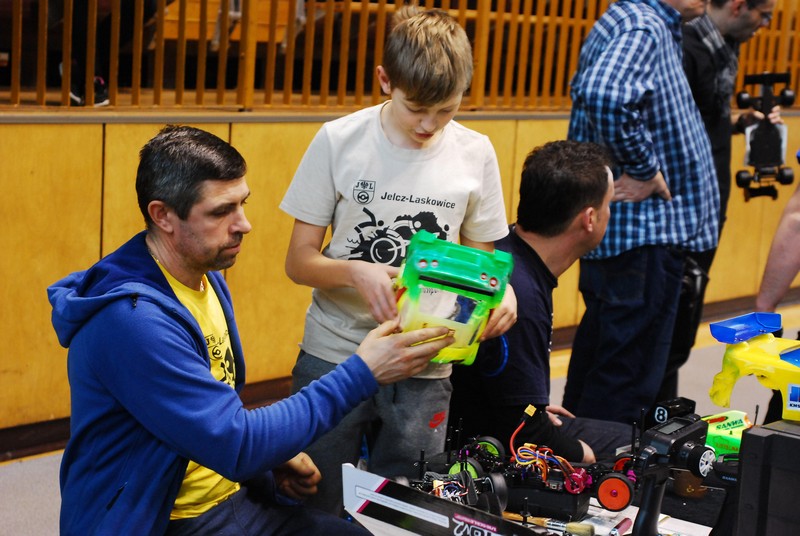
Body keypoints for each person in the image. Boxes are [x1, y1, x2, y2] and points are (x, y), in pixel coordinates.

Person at [47, 125, 455, 535]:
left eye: (243, 203)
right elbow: (237, 444)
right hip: (160, 520)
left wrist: (267, 463)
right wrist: (363, 372)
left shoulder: (203, 275)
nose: (244, 224)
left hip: (227, 493)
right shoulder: (132, 321)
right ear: (163, 215)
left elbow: (209, 415)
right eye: (221, 211)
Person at [280, 6, 516, 514]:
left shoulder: (475, 152)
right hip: (336, 354)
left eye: (447, 110)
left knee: (409, 506)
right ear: (385, 80)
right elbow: (298, 262)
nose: (429, 125)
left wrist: (503, 293)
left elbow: (482, 265)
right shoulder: (339, 140)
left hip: (426, 359)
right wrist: (354, 270)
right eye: (416, 109)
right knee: (317, 501)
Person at [563, 0, 720, 425]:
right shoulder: (644, 25)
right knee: (624, 383)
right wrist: (645, 169)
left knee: (603, 369)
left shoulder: (635, 19)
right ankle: (600, 466)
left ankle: (574, 457)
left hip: (632, 239)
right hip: (642, 238)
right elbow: (606, 95)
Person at [449, 140, 632, 463]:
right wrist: (585, 455)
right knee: (639, 452)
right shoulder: (523, 297)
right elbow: (525, 435)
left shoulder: (504, 248)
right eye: (609, 205)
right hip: (486, 451)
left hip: (496, 421)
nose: (610, 213)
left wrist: (533, 407)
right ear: (590, 218)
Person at [658, 0, 780, 402]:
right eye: (764, 16)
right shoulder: (688, 47)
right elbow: (675, 129)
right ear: (740, 6)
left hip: (706, 207)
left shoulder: (722, 47)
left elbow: (704, 120)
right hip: (683, 211)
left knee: (681, 329)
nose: (766, 25)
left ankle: (666, 412)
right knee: (667, 332)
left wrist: (741, 124)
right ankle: (655, 416)